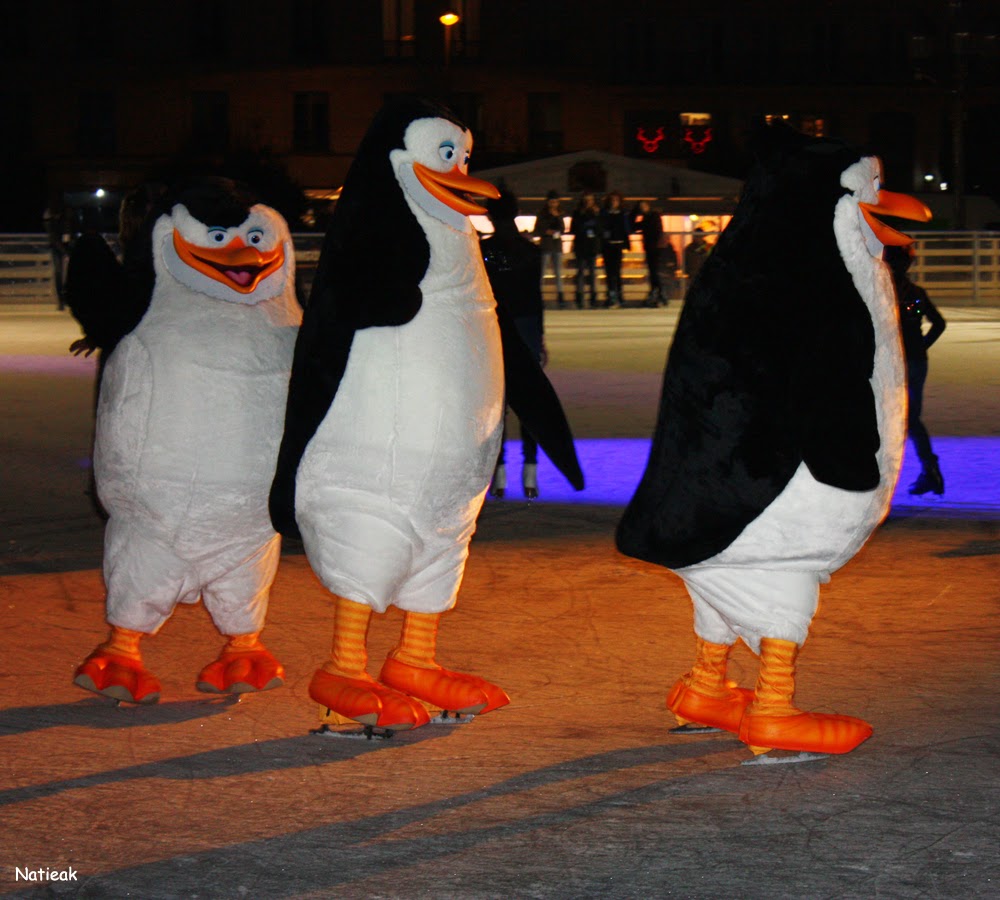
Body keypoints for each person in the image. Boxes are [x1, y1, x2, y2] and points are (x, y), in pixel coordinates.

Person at [482, 186, 548, 499]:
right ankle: (530, 475)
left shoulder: (484, 251)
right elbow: (536, 299)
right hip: (526, 329)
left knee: (498, 405)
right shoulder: (531, 251)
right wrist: (540, 337)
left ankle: (499, 475)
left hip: (495, 328)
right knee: (529, 404)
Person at [885, 244, 947, 495]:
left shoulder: (883, 293)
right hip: (916, 362)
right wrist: (920, 346)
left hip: (896, 364)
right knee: (911, 419)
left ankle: (887, 477)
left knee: (891, 420)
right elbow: (938, 323)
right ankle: (929, 468)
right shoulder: (915, 293)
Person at [633, 199, 674, 307]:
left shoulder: (653, 216)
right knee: (653, 271)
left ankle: (659, 292)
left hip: (655, 248)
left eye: (644, 206)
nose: (642, 209)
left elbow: (654, 230)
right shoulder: (646, 218)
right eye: (640, 207)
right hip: (650, 248)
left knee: (654, 272)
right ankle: (658, 292)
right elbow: (634, 226)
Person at [532, 190, 566, 308]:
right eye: (552, 202)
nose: (553, 204)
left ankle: (561, 296)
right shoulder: (542, 214)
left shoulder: (560, 213)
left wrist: (557, 218)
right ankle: (538, 297)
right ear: (548, 202)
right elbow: (537, 229)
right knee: (542, 272)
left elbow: (562, 229)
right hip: (546, 245)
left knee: (558, 272)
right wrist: (546, 231)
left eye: (556, 202)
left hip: (557, 246)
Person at [569, 192, 601, 308]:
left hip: (592, 246)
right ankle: (579, 297)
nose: (588, 203)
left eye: (590, 200)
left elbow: (600, 228)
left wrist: (596, 216)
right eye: (586, 200)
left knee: (592, 272)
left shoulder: (597, 213)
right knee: (581, 272)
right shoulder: (577, 213)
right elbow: (574, 229)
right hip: (581, 246)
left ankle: (593, 297)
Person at [599, 190, 630, 307]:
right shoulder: (605, 213)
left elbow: (626, 229)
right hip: (607, 245)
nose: (614, 202)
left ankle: (619, 295)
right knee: (608, 271)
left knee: (616, 271)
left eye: (616, 200)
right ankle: (611, 295)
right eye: (612, 200)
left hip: (618, 244)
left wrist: (626, 242)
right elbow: (601, 227)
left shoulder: (622, 214)